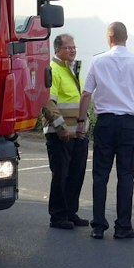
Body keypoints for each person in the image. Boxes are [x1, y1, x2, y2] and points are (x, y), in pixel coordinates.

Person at [77, 21, 134, 240]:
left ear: (109, 38)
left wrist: (80, 122)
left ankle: (98, 226)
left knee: (100, 175)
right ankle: (123, 226)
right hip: (128, 125)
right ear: (126, 37)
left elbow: (86, 95)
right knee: (126, 176)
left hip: (104, 123)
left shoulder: (97, 61)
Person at [40, 33, 88, 229]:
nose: (73, 50)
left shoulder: (73, 69)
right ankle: (58, 216)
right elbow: (48, 102)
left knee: (76, 174)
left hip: (77, 133)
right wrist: (60, 126)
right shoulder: (53, 70)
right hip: (60, 134)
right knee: (61, 175)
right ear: (57, 49)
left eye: (74, 47)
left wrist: (82, 127)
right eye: (68, 47)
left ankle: (70, 212)